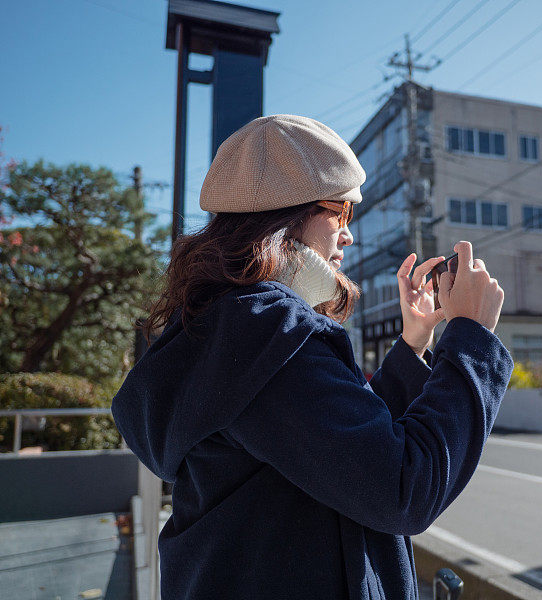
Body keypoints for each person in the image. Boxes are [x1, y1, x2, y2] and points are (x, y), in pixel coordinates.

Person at [111, 114, 513, 600]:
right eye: (341, 211)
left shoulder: (228, 328)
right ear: (285, 215)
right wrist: (472, 337)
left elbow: (343, 447)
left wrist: (412, 345)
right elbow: (402, 488)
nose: (349, 234)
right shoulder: (268, 334)